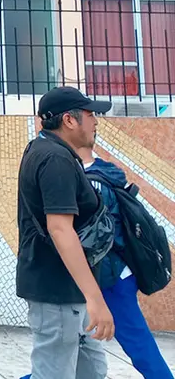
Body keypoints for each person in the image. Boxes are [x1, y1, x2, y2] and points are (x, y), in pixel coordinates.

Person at [17, 86, 115, 379]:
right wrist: (95, 297)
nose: (95, 121)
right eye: (90, 114)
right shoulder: (55, 160)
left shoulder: (46, 150)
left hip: (68, 291)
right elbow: (60, 229)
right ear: (69, 121)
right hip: (57, 291)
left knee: (93, 372)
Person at [78, 148, 174, 378]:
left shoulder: (89, 182)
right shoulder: (105, 172)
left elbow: (95, 239)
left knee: (140, 348)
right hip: (114, 275)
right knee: (64, 351)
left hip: (110, 277)